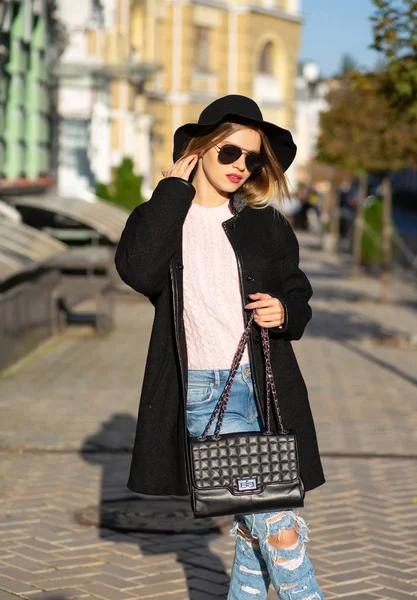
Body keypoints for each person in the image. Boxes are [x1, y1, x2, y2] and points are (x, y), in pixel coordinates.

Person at [115, 95, 326, 600]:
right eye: (229, 153)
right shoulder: (162, 219)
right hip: (206, 390)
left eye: (252, 158)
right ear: (201, 149)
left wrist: (286, 311)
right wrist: (170, 192)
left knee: (257, 528)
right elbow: (138, 270)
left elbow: (296, 288)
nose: (241, 167)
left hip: (267, 382)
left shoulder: (265, 223)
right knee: (279, 524)